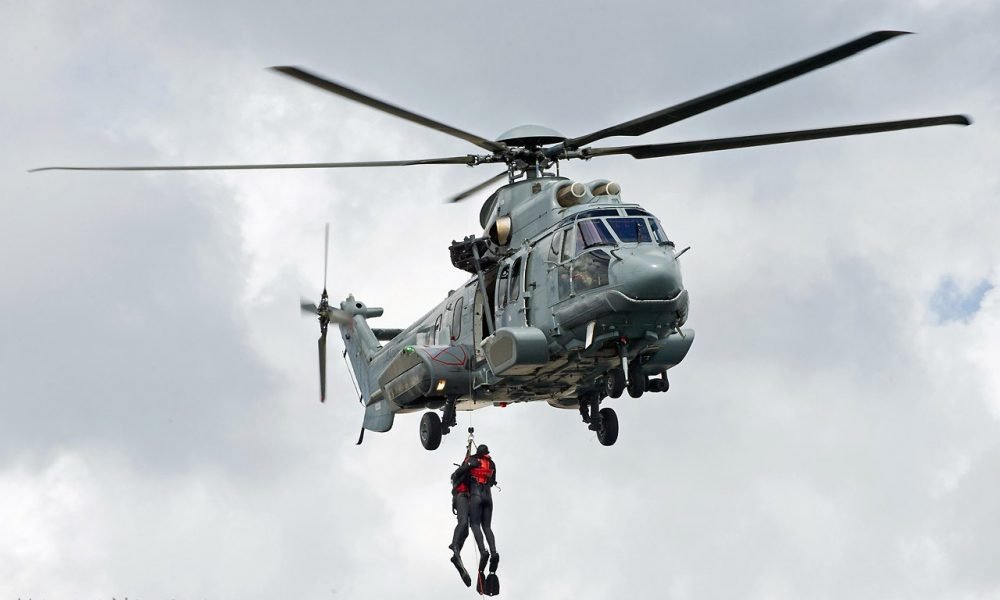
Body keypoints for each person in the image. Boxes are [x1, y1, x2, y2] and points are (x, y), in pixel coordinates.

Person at [449, 454, 473, 587]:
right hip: (461, 497)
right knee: (463, 523)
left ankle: (456, 556)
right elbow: (461, 471)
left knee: (466, 531)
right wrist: (468, 464)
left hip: (466, 499)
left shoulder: (467, 478)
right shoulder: (456, 474)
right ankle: (455, 545)